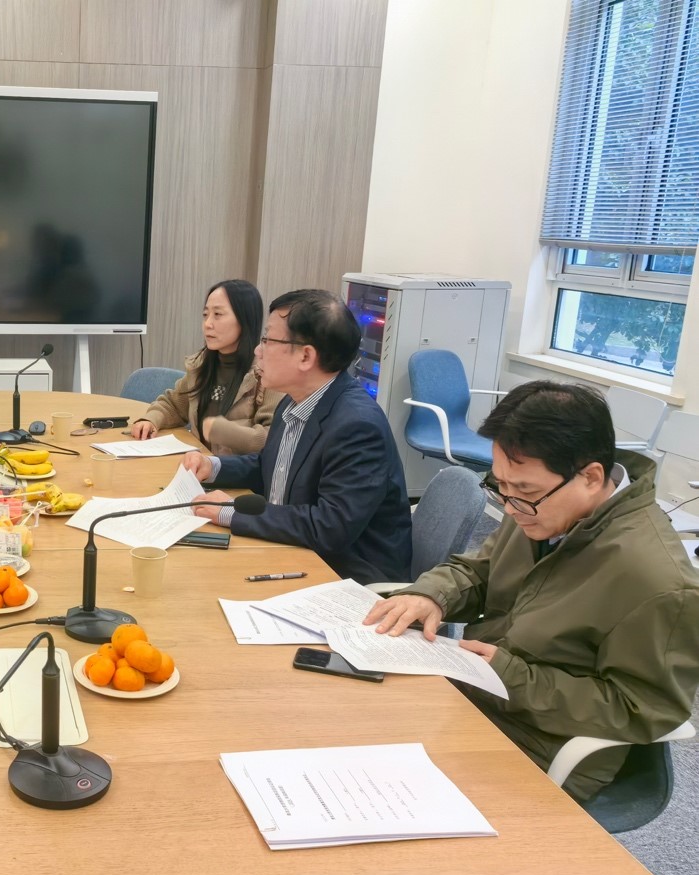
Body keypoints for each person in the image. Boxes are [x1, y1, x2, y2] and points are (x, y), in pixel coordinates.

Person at [364, 381, 699, 801]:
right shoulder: (541, 508)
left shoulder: (658, 581)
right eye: (501, 485)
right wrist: (432, 595)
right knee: (349, 722)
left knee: (379, 788)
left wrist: (513, 678)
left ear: (591, 477)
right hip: (474, 692)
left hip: (538, 743)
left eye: (524, 490)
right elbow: (480, 571)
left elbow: (641, 709)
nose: (509, 506)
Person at [184, 289, 411, 584]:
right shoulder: (294, 401)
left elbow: (329, 528)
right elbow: (272, 466)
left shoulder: (357, 426)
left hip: (346, 577)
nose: (258, 351)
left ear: (306, 356)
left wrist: (231, 512)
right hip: (292, 549)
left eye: (268, 340)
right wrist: (213, 466)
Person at [131, 280, 281, 456]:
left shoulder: (267, 374)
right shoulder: (202, 365)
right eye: (205, 315)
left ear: (244, 319)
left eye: (217, 314)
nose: (208, 324)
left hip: (236, 471)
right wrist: (151, 420)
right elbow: (174, 404)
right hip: (198, 464)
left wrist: (223, 431)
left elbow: (273, 438)